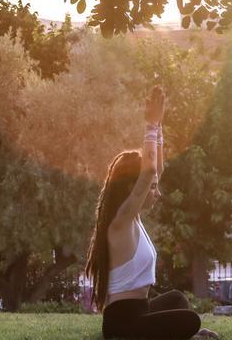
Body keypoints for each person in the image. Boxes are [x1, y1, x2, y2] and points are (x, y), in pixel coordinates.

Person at [84, 85, 206, 340]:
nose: (157, 192)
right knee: (190, 320)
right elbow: (149, 172)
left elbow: (156, 170)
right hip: (123, 324)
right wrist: (149, 125)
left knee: (177, 299)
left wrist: (159, 126)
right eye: (151, 188)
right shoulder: (121, 221)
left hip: (142, 310)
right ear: (133, 188)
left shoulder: (134, 217)